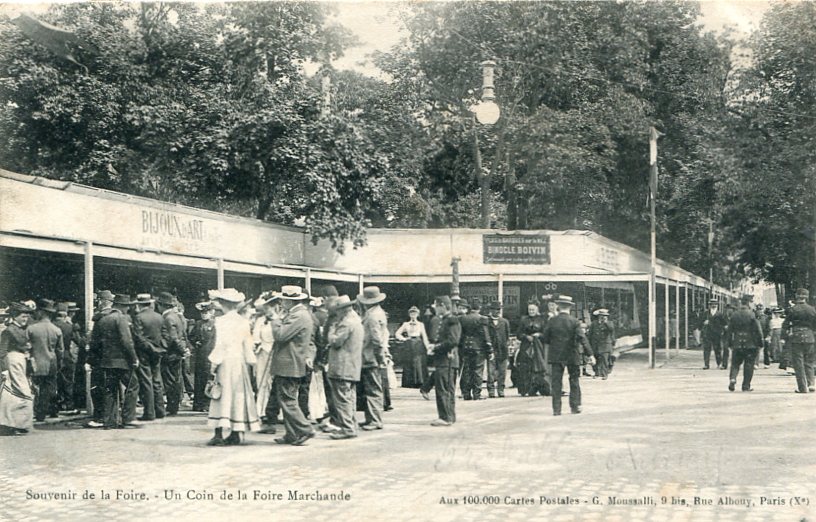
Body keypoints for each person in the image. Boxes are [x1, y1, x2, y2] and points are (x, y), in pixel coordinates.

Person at [205, 288, 260, 446]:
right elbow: (248, 345)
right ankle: (236, 431)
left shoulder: (221, 321)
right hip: (239, 362)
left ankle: (218, 434)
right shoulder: (243, 322)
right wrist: (251, 362)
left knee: (221, 394)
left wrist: (214, 364)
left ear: (223, 304)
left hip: (226, 361)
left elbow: (220, 344)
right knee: (238, 395)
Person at [270, 285, 316, 446]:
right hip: (290, 363)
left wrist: (275, 319)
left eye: (283, 299)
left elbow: (280, 335)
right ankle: (292, 433)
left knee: (288, 400)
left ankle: (305, 429)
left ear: (291, 300)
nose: (281, 302)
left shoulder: (299, 315)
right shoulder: (299, 314)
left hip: (290, 364)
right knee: (286, 399)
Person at [93, 294, 140, 429]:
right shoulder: (121, 319)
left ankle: (109, 421)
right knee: (133, 385)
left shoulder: (103, 319)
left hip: (107, 361)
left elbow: (96, 342)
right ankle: (128, 417)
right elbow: (127, 341)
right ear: (120, 306)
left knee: (110, 390)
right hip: (122, 361)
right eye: (126, 306)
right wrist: (134, 358)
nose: (127, 309)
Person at [542, 295, 593, 416]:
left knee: (556, 382)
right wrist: (590, 354)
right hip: (572, 354)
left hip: (556, 355)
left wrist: (555, 343)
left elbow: (545, 338)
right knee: (574, 380)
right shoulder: (574, 321)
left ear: (558, 307)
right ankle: (575, 406)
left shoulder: (552, 321)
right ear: (570, 307)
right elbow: (582, 338)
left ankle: (556, 409)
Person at [326, 295, 364, 440]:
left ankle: (347, 428)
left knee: (342, 398)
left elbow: (335, 341)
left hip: (342, 366)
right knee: (349, 398)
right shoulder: (357, 321)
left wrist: (331, 331)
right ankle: (351, 425)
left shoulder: (346, 323)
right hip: (352, 366)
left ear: (343, 310)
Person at [0, 302, 35, 435]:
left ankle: (19, 423)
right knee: (17, 392)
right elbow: (2, 351)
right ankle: (9, 423)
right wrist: (4, 369)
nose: (25, 319)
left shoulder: (23, 329)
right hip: (12, 362)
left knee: (21, 392)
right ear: (15, 316)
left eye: (26, 316)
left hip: (21, 362)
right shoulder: (9, 331)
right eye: (22, 316)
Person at [357, 286, 389, 431]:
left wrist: (380, 357)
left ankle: (375, 420)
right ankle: (371, 418)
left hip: (370, 357)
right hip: (370, 356)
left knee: (373, 389)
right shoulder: (377, 313)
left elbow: (376, 340)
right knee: (371, 388)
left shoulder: (371, 316)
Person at [28, 298, 64, 422]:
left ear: (42, 312)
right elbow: (60, 350)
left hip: (36, 362)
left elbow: (27, 346)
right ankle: (53, 410)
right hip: (52, 361)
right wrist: (60, 363)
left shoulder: (31, 329)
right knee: (50, 386)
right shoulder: (56, 330)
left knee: (35, 388)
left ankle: (39, 413)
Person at [428, 296, 461, 427]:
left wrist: (436, 347)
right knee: (446, 389)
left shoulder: (451, 320)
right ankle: (449, 416)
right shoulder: (446, 320)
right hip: (445, 360)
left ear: (443, 306)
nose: (435, 308)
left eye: (436, 306)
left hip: (446, 360)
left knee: (444, 389)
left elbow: (453, 341)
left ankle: (445, 417)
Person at [131, 293, 165, 421]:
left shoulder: (138, 317)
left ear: (139, 305)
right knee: (156, 381)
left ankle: (149, 412)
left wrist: (149, 348)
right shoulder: (159, 317)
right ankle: (160, 410)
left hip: (144, 353)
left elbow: (138, 337)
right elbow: (165, 334)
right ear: (150, 303)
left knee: (146, 381)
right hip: (157, 352)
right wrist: (160, 349)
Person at [252, 291, 279, 433]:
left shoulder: (280, 319)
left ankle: (273, 414)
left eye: (269, 307)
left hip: (275, 354)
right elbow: (255, 337)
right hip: (262, 354)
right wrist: (256, 346)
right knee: (261, 383)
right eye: (265, 307)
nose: (267, 310)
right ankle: (261, 411)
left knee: (272, 383)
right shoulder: (260, 321)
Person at [156, 292, 186, 416]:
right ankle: (174, 405)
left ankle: (172, 407)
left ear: (162, 305)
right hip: (176, 353)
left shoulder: (167, 318)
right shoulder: (176, 316)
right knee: (176, 379)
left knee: (169, 381)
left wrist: (163, 349)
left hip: (170, 353)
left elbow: (172, 338)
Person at [726, 296, 764, 392]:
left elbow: (729, 330)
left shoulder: (734, 315)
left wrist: (730, 343)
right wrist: (760, 343)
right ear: (748, 303)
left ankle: (733, 378)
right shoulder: (752, 314)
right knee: (749, 364)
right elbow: (758, 330)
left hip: (737, 342)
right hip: (750, 343)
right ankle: (746, 386)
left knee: (735, 363)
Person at [458, 300, 493, 401]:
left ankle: (466, 393)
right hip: (478, 348)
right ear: (480, 308)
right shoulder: (482, 319)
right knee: (478, 370)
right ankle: (477, 394)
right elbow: (486, 336)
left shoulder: (463, 318)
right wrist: (490, 350)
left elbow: (460, 334)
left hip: (465, 347)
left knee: (466, 370)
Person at [783, 288, 816, 394]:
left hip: (796, 337)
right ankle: (811, 383)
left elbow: (786, 324)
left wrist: (785, 336)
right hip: (810, 337)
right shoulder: (812, 309)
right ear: (806, 297)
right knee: (809, 361)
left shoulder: (793, 309)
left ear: (797, 296)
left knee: (798, 363)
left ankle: (802, 387)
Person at [517, 300, 549, 397]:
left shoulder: (542, 320)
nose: (531, 311)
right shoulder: (523, 320)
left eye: (533, 309)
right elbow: (518, 334)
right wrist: (526, 337)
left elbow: (546, 334)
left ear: (537, 309)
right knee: (526, 368)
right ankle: (525, 389)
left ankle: (536, 389)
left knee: (538, 368)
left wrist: (539, 335)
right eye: (529, 309)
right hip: (526, 347)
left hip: (538, 347)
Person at [190, 300, 216, 412]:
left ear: (211, 312)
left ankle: (206, 404)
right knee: (199, 380)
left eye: (206, 312)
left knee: (208, 380)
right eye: (202, 312)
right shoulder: (198, 324)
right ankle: (198, 404)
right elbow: (191, 336)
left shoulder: (215, 324)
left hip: (211, 355)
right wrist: (195, 342)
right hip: (200, 355)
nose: (204, 314)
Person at [394, 306, 430, 389]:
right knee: (409, 361)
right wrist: (404, 339)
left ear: (418, 314)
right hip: (409, 344)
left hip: (418, 343)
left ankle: (420, 381)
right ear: (409, 314)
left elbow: (424, 336)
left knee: (418, 361)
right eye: (411, 313)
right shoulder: (405, 324)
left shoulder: (421, 324)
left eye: (415, 313)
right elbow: (397, 333)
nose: (413, 315)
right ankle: (409, 382)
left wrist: (428, 347)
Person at [54, 303, 77, 413]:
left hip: (54, 356)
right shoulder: (69, 326)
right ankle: (68, 404)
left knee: (55, 381)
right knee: (68, 381)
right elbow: (79, 340)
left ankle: (56, 404)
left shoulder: (52, 325)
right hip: (67, 355)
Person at [486, 302, 511, 398]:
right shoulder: (487, 322)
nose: (496, 312)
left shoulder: (504, 322)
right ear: (490, 310)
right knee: (491, 371)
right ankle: (491, 390)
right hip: (491, 349)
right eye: (494, 310)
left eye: (498, 310)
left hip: (502, 349)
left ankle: (501, 390)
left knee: (502, 371)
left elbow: (507, 335)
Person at [588, 309, 615, 380]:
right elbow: (590, 334)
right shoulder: (594, 323)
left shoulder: (609, 323)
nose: (603, 317)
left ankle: (604, 374)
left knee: (604, 360)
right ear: (598, 316)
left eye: (605, 316)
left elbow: (611, 330)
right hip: (596, 345)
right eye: (601, 316)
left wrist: (606, 322)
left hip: (605, 345)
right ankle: (597, 373)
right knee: (596, 359)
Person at [701, 299, 727, 370]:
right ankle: (706, 364)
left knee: (717, 349)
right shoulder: (705, 313)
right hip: (707, 334)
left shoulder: (720, 314)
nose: (713, 305)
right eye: (712, 304)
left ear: (717, 305)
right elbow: (699, 322)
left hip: (717, 334)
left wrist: (721, 329)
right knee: (706, 349)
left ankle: (719, 363)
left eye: (715, 304)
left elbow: (724, 324)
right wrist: (704, 322)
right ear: (709, 305)